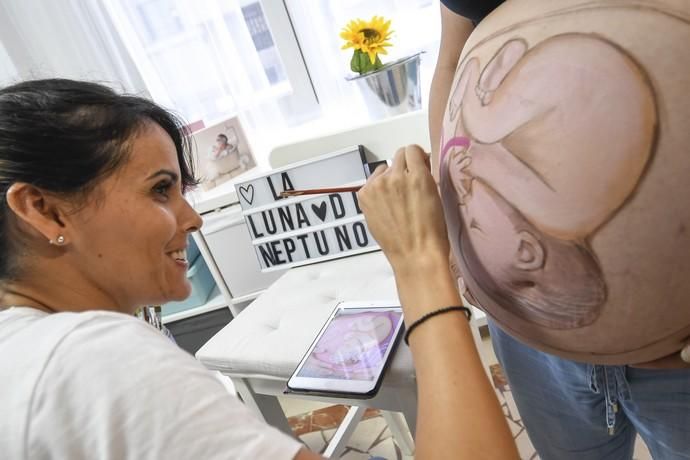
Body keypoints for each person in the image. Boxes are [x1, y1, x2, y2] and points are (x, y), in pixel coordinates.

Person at [0, 79, 517, 459]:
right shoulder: (94, 362)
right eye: (160, 189)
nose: (193, 218)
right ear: (45, 210)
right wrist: (421, 263)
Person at [430, 1, 690, 459]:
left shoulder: (550, 207)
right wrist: (457, 237)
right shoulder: (545, 211)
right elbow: (451, 58)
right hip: (532, 346)